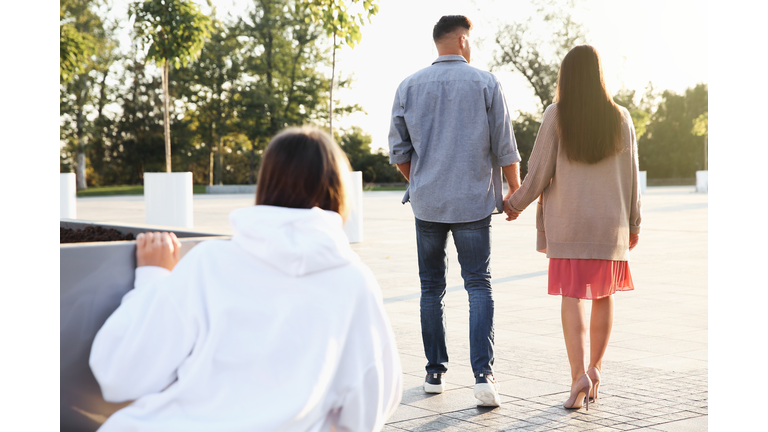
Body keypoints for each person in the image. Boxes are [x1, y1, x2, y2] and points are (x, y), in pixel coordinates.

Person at [89, 126, 403, 431]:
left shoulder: (209, 263)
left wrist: (152, 277)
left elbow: (119, 374)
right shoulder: (354, 284)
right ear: (339, 191)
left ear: (266, 184)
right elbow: (369, 408)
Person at [388, 15, 522, 407]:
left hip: (428, 204)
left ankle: (434, 372)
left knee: (432, 287)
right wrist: (514, 192)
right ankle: (483, 377)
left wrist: (422, 179)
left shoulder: (408, 85)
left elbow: (398, 150)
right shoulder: (485, 82)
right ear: (462, 40)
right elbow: (505, 145)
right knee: (478, 284)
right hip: (472, 202)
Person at [504, 45, 642, 411]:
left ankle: (578, 375)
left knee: (572, 298)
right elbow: (632, 179)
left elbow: (538, 173)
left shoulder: (556, 115)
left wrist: (514, 204)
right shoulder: (622, 117)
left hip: (570, 224)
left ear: (565, 77)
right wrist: (634, 222)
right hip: (610, 226)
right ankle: (596, 370)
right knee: (603, 296)